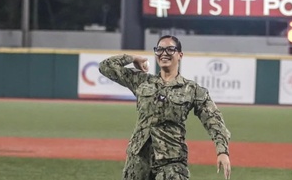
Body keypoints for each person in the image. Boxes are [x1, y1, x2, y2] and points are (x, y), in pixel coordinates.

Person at [99, 35, 231, 180]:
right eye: (160, 50)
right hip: (138, 160)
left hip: (172, 163)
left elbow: (214, 120)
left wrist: (222, 151)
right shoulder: (143, 81)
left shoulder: (192, 89)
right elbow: (105, 66)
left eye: (170, 49)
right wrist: (133, 58)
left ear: (180, 55)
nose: (164, 54)